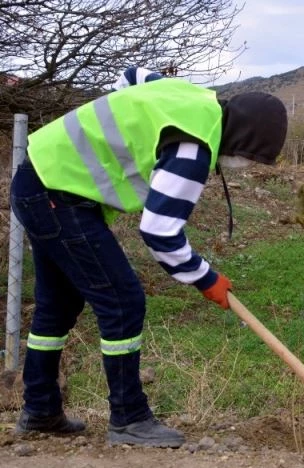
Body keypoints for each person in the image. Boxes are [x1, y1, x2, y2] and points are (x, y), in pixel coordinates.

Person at [11, 66, 288, 447]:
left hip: (39, 179)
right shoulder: (192, 148)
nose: (245, 166)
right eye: (251, 158)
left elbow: (132, 76)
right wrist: (206, 279)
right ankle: (129, 419)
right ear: (243, 140)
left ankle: (40, 410)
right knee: (123, 301)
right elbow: (159, 232)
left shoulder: (190, 98)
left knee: (57, 305)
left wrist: (114, 139)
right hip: (58, 197)